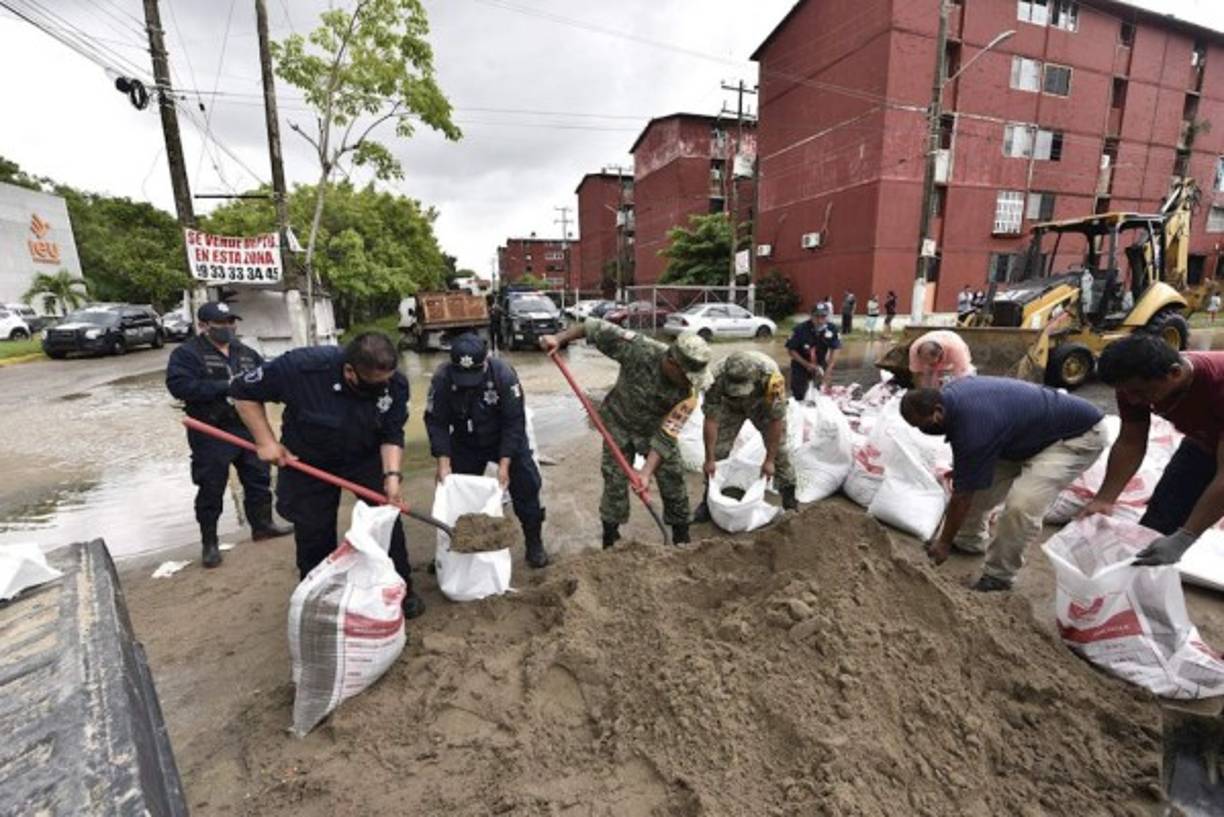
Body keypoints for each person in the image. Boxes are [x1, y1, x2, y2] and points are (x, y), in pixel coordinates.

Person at [231, 331, 424, 618]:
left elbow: (391, 433)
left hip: (365, 456)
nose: (383, 387)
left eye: (387, 380)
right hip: (309, 461)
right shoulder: (301, 367)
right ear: (350, 371)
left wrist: (392, 478)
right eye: (375, 383)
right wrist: (266, 441)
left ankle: (399, 588)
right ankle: (319, 599)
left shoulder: (394, 384)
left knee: (385, 519)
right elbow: (241, 392)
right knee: (314, 531)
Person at [901, 378, 1107, 591]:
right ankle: (967, 540)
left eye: (923, 425)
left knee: (1022, 504)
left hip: (1074, 436)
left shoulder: (973, 426)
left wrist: (942, 542)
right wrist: (968, 468)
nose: (921, 431)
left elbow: (963, 494)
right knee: (975, 485)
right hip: (1023, 435)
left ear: (938, 410)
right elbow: (970, 462)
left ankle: (999, 576)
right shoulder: (951, 399)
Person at [539, 318, 710, 548]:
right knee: (614, 481)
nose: (689, 383)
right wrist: (558, 339)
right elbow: (594, 327)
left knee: (673, 480)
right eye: (686, 376)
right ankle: (610, 537)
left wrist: (646, 472)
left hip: (655, 431)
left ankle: (681, 536)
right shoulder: (639, 349)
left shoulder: (691, 389)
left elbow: (668, 433)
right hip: (618, 423)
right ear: (672, 362)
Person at [165, 302, 292, 568]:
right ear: (203, 326)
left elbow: (267, 379)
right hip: (211, 431)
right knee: (211, 486)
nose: (228, 328)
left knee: (258, 479)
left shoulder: (245, 353)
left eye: (231, 322)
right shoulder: (187, 354)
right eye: (221, 324)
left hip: (247, 428)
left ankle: (263, 526)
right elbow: (179, 386)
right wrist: (227, 387)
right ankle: (209, 543)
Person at [1081, 335, 1224, 566]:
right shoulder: (1133, 385)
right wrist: (1104, 499)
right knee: (1155, 528)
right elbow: (1131, 442)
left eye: (1140, 393)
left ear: (1175, 373)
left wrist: (1185, 538)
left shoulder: (1217, 382)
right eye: (1126, 392)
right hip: (1203, 440)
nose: (1133, 401)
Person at [425, 333, 549, 568]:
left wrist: (504, 465)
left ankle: (534, 543)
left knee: (527, 487)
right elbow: (436, 421)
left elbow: (514, 422)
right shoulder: (442, 378)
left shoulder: (504, 375)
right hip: (465, 440)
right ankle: (452, 546)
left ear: (485, 362)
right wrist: (443, 461)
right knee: (455, 492)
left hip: (504, 437)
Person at [693, 350, 798, 523]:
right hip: (730, 406)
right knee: (718, 452)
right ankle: (707, 500)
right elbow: (711, 419)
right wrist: (709, 459)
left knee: (780, 452)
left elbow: (776, 419)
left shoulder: (771, 377)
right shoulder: (715, 378)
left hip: (761, 405)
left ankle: (790, 500)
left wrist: (769, 460)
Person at [785, 303, 841, 400]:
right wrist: (806, 365)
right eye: (817, 317)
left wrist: (829, 369)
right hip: (801, 364)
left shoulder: (832, 329)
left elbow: (835, 349)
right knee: (799, 394)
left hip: (820, 363)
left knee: (821, 392)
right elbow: (791, 350)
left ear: (827, 316)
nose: (820, 320)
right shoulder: (800, 329)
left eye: (823, 316)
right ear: (811, 316)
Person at [908, 329, 975, 388]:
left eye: (932, 363)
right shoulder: (914, 350)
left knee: (965, 378)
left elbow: (962, 373)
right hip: (938, 345)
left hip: (952, 343)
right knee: (928, 381)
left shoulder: (957, 349)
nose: (931, 365)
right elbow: (917, 374)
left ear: (940, 353)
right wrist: (923, 394)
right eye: (926, 362)